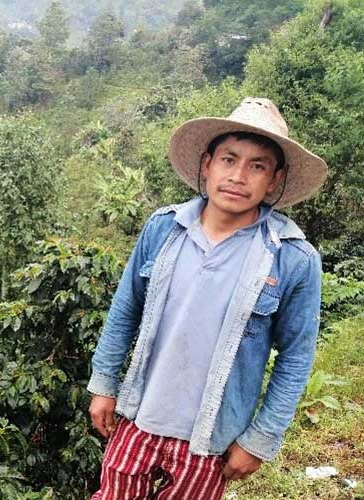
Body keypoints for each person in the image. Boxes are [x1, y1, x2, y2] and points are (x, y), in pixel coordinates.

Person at [87, 97, 327, 499]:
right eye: (229, 160)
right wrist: (104, 384)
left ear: (274, 180)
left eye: (257, 166)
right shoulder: (164, 229)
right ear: (207, 164)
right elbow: (125, 308)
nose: (238, 176)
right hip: (138, 419)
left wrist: (260, 439)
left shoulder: (292, 259)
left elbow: (296, 357)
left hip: (211, 440)